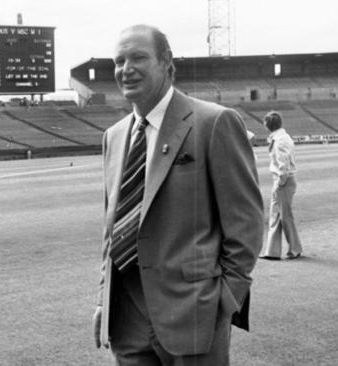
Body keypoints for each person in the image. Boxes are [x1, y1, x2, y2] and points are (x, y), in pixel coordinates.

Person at [93, 24, 264, 365]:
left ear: (166, 62)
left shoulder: (213, 122)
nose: (126, 69)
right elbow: (111, 229)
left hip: (194, 313)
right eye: (119, 60)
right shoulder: (113, 137)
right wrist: (103, 299)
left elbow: (245, 222)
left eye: (138, 57)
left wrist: (226, 299)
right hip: (127, 319)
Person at [259, 111, 303, 260]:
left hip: (283, 181)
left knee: (285, 217)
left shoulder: (280, 140)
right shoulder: (281, 137)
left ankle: (295, 250)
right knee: (276, 216)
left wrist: (279, 183)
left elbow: (283, 166)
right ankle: (272, 252)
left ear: (268, 124)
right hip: (282, 180)